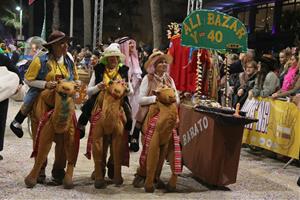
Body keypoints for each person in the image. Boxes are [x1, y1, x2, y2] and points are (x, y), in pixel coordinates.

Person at [10, 30, 79, 138]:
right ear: (53, 46)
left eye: (67, 43)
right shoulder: (40, 60)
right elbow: (28, 79)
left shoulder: (69, 61)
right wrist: (45, 84)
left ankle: (78, 126)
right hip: (44, 90)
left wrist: (77, 84)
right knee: (32, 96)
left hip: (64, 92)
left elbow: (75, 78)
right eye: (62, 43)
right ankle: (18, 120)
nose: (66, 46)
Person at [77, 43, 133, 137]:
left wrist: (126, 90)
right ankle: (81, 125)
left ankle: (129, 135)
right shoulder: (99, 69)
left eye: (115, 57)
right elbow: (89, 91)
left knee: (129, 116)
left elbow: (131, 91)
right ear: (106, 59)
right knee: (89, 105)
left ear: (118, 58)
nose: (113, 59)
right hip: (101, 97)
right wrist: (98, 87)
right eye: (110, 57)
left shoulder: (124, 70)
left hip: (119, 98)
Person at [130, 51, 179, 152]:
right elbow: (140, 99)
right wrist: (155, 99)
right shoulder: (147, 79)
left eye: (165, 62)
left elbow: (176, 98)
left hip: (167, 110)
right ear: (154, 66)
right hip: (152, 108)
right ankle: (135, 135)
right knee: (142, 113)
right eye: (161, 62)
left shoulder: (170, 80)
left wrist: (171, 100)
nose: (164, 64)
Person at [118, 37, 143, 150]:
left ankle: (134, 138)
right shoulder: (120, 62)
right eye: (129, 44)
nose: (132, 46)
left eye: (133, 44)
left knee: (136, 115)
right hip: (124, 93)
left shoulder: (135, 59)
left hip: (136, 93)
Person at [0, 53, 23, 160]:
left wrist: (19, 83)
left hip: (1, 97)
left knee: (0, 123)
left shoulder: (2, 58)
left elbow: (15, 72)